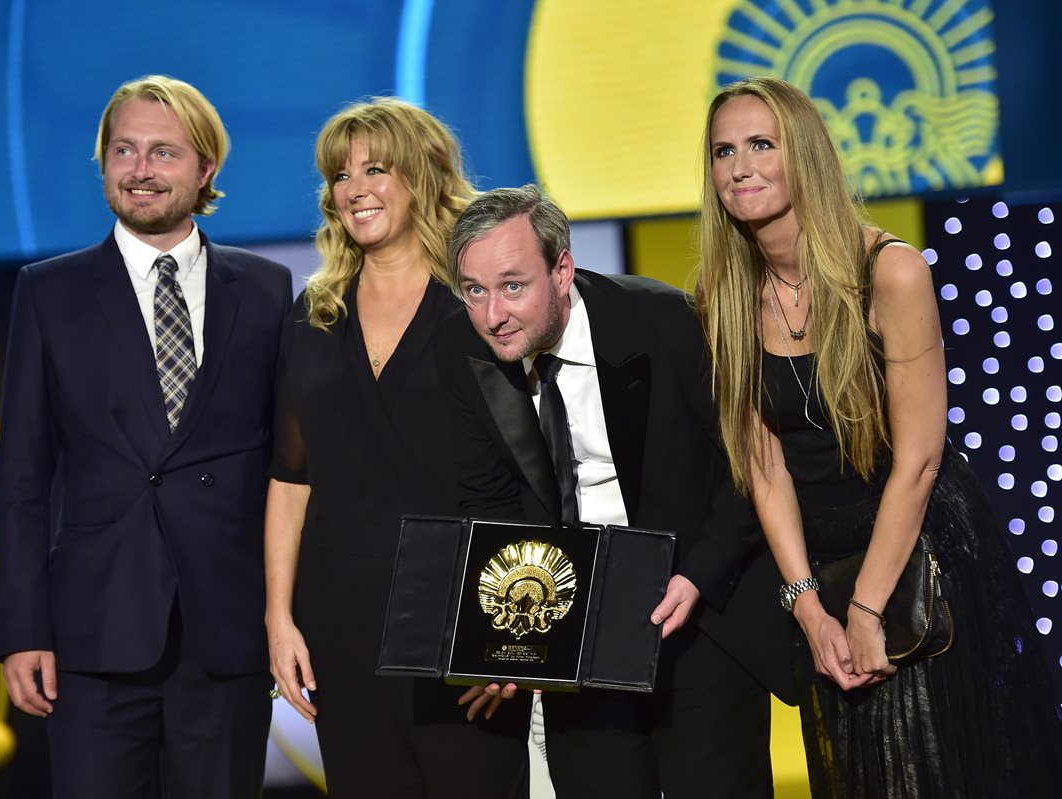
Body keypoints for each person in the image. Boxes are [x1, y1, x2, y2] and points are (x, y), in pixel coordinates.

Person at [695, 75, 1062, 797]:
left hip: (920, 559)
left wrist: (867, 607)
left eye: (761, 145)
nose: (739, 168)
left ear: (804, 154)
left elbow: (920, 461)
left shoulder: (887, 271)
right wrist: (808, 606)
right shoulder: (723, 295)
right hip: (825, 577)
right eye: (723, 151)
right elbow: (764, 466)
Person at [434, 183, 796, 799]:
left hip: (693, 612)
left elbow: (751, 472)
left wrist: (698, 577)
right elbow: (487, 503)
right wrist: (504, 637)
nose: (493, 314)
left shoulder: (664, 324)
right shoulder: (460, 349)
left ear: (562, 268)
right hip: (573, 631)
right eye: (475, 291)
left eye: (513, 286)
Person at [0, 75, 291, 799]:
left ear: (205, 169)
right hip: (94, 634)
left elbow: (290, 467)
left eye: (162, 152)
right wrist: (21, 628)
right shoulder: (49, 292)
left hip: (225, 630)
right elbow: (24, 476)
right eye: (122, 150)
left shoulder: (267, 289)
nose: (139, 169)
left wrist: (289, 619)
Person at [264, 98, 529, 798]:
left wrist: (513, 637)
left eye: (375, 168)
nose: (354, 189)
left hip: (463, 622)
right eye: (340, 175)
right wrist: (279, 616)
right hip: (342, 626)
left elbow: (530, 475)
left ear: (422, 177)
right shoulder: (314, 313)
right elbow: (291, 479)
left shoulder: (480, 306)